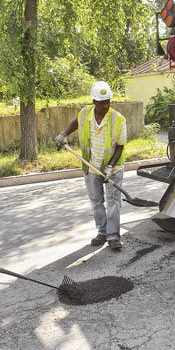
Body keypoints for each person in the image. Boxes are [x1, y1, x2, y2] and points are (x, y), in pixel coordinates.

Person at [55, 81, 127, 249]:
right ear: (94, 102)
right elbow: (76, 122)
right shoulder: (85, 113)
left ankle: (113, 237)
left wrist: (109, 167)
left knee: (113, 202)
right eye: (102, 103)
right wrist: (64, 134)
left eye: (108, 101)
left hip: (113, 168)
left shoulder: (118, 119)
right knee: (96, 202)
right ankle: (102, 233)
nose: (105, 105)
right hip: (91, 166)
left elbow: (120, 147)